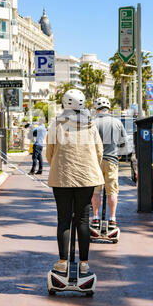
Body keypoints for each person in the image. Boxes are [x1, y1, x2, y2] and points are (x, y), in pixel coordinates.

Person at [46, 89, 104, 274]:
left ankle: (62, 262)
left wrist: (58, 166)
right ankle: (84, 263)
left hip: (61, 177)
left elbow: (49, 152)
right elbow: (99, 152)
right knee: (83, 220)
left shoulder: (56, 124)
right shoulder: (91, 125)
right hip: (86, 178)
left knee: (63, 219)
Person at [91, 97, 128, 229]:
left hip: (95, 162)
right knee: (112, 191)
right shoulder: (117, 122)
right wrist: (119, 155)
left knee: (96, 191)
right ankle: (112, 219)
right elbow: (124, 143)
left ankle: (95, 218)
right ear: (109, 108)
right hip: (112, 160)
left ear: (97, 108)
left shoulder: (92, 122)